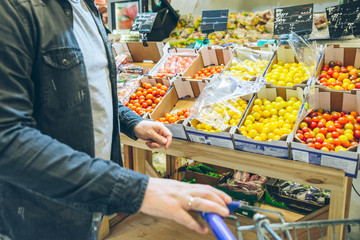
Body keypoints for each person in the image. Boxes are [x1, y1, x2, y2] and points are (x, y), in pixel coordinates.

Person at [0, 1, 231, 239]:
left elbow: (89, 85)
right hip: (38, 214)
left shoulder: (86, 8)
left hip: (90, 199)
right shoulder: (13, 9)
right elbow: (7, 139)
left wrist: (131, 121)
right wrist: (138, 191)